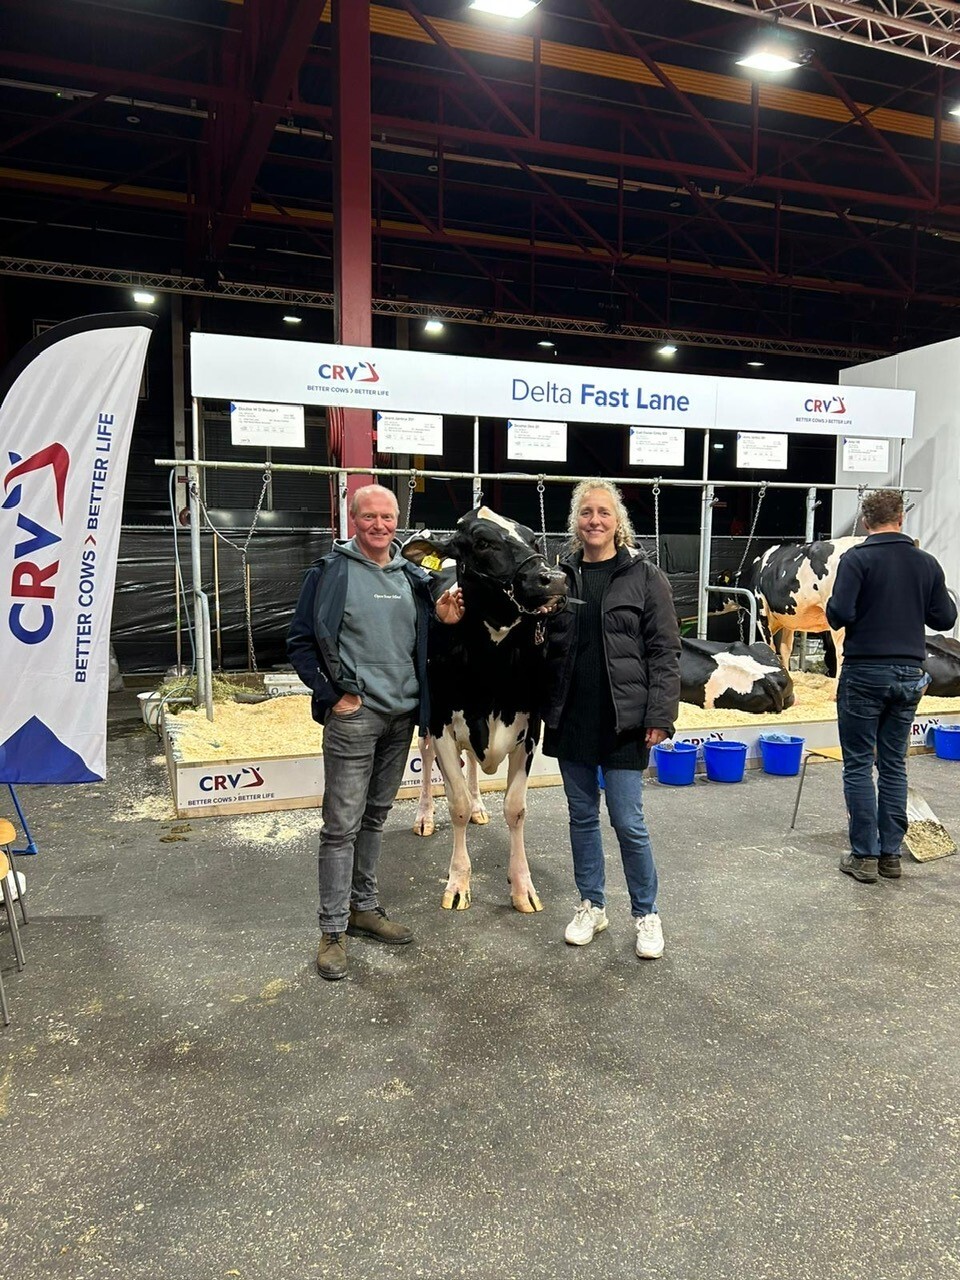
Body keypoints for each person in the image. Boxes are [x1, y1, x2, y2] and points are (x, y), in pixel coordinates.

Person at [288, 484, 446, 981]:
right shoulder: (331, 572)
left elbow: (430, 632)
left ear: (398, 521)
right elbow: (300, 642)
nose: (380, 525)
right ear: (352, 519)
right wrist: (335, 695)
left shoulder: (415, 577)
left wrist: (446, 615)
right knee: (341, 826)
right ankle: (332, 930)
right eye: (370, 517)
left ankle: (365, 908)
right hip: (355, 717)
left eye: (388, 517)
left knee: (376, 818)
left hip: (401, 716)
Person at [541, 479, 681, 959]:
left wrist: (660, 714)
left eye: (603, 512)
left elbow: (665, 652)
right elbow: (548, 646)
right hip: (572, 716)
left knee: (627, 820)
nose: (594, 520)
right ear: (575, 523)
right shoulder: (560, 577)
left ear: (617, 520)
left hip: (624, 720)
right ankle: (591, 905)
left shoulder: (645, 577)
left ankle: (646, 913)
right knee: (582, 817)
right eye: (585, 513)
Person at [826, 489, 957, 883]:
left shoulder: (857, 559)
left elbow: (839, 614)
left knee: (858, 765)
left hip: (865, 671)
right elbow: (944, 616)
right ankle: (891, 856)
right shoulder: (926, 562)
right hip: (908, 673)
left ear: (866, 522)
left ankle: (864, 856)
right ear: (901, 518)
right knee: (894, 765)